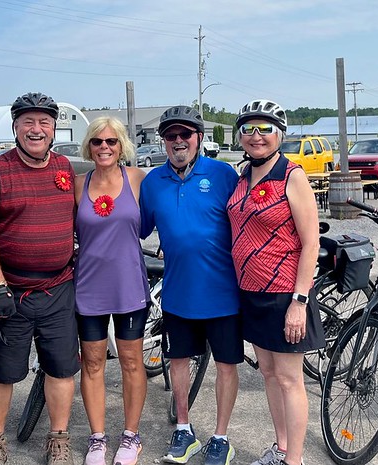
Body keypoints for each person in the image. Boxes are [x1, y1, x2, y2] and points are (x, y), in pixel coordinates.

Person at [0, 91, 80, 465]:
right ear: (15, 126)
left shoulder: (64, 167)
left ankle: (58, 437)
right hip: (10, 291)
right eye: (28, 122)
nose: (37, 129)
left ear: (53, 128)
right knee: (1, 372)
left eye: (44, 122)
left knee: (61, 368)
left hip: (58, 287)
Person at [139, 106, 242, 465]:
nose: (178, 141)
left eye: (185, 134)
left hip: (224, 293)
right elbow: (133, 228)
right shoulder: (153, 182)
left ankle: (221, 436)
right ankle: (184, 428)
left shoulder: (224, 174)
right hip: (178, 292)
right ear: (163, 141)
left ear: (199, 137)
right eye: (171, 136)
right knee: (177, 360)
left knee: (227, 365)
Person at [226, 100, 324, 465]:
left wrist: (299, 301)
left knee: (288, 379)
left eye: (265, 128)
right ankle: (281, 448)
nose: (256, 136)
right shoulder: (242, 176)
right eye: (249, 129)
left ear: (279, 134)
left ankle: (294, 461)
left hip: (284, 293)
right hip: (250, 291)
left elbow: (310, 241)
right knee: (267, 373)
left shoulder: (292, 175)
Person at [73, 117, 149, 465]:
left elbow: (161, 219)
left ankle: (131, 437)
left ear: (122, 147)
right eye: (97, 142)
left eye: (111, 142)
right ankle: (97, 439)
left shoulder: (137, 180)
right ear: (88, 147)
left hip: (128, 286)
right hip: (89, 288)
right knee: (93, 363)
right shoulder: (77, 185)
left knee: (132, 362)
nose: (104, 147)